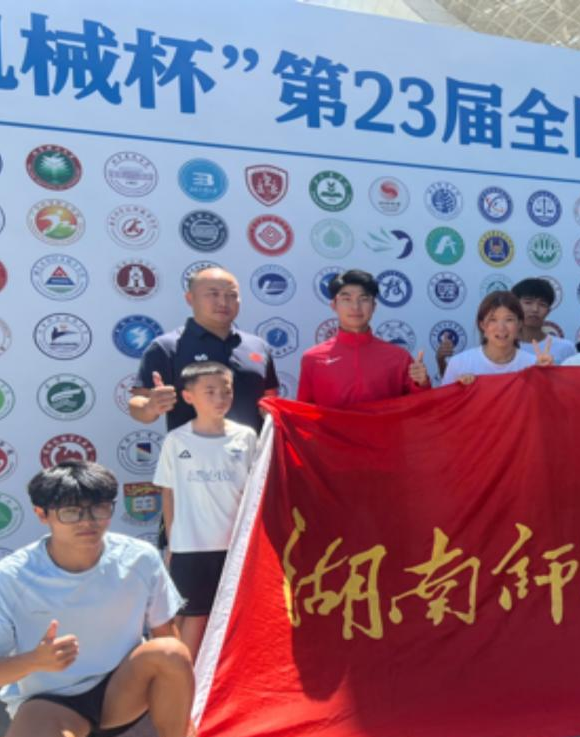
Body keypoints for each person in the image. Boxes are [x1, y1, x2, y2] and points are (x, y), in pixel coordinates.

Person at [0, 462, 222, 737]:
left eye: (99, 508)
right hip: (52, 701)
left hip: (123, 689)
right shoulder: (9, 577)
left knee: (171, 651)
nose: (88, 521)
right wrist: (35, 661)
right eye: (70, 511)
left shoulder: (139, 557)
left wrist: (181, 709)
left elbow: (166, 635)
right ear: (42, 514)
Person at [153, 362, 258, 660]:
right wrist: (173, 542)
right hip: (191, 546)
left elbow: (256, 490)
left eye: (226, 391)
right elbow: (168, 492)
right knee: (193, 619)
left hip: (236, 546)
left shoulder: (247, 436)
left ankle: (220, 684)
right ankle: (184, 683)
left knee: (235, 617)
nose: (220, 398)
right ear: (189, 397)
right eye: (209, 392)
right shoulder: (177, 440)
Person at [131, 266, 278, 433]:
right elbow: (138, 404)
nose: (223, 302)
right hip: (193, 448)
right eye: (213, 294)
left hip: (252, 447)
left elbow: (270, 398)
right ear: (190, 298)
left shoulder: (258, 346)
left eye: (232, 295)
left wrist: (272, 409)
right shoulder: (166, 347)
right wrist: (150, 406)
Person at [296, 269, 430, 407]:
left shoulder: (399, 357)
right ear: (334, 305)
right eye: (346, 299)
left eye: (363, 299)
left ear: (374, 306)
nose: (355, 307)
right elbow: (302, 413)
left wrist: (421, 384)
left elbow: (418, 409)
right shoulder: (312, 359)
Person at [441, 291, 554, 385]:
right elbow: (446, 402)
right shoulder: (459, 364)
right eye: (493, 320)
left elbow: (544, 402)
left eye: (509, 319)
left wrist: (546, 376)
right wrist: (459, 389)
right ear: (482, 325)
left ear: (519, 324)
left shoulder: (533, 365)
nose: (501, 328)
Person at [512, 277, 578, 363]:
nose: (535, 309)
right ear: (515, 306)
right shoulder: (502, 347)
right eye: (528, 302)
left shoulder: (565, 348)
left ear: (548, 311)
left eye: (542, 304)